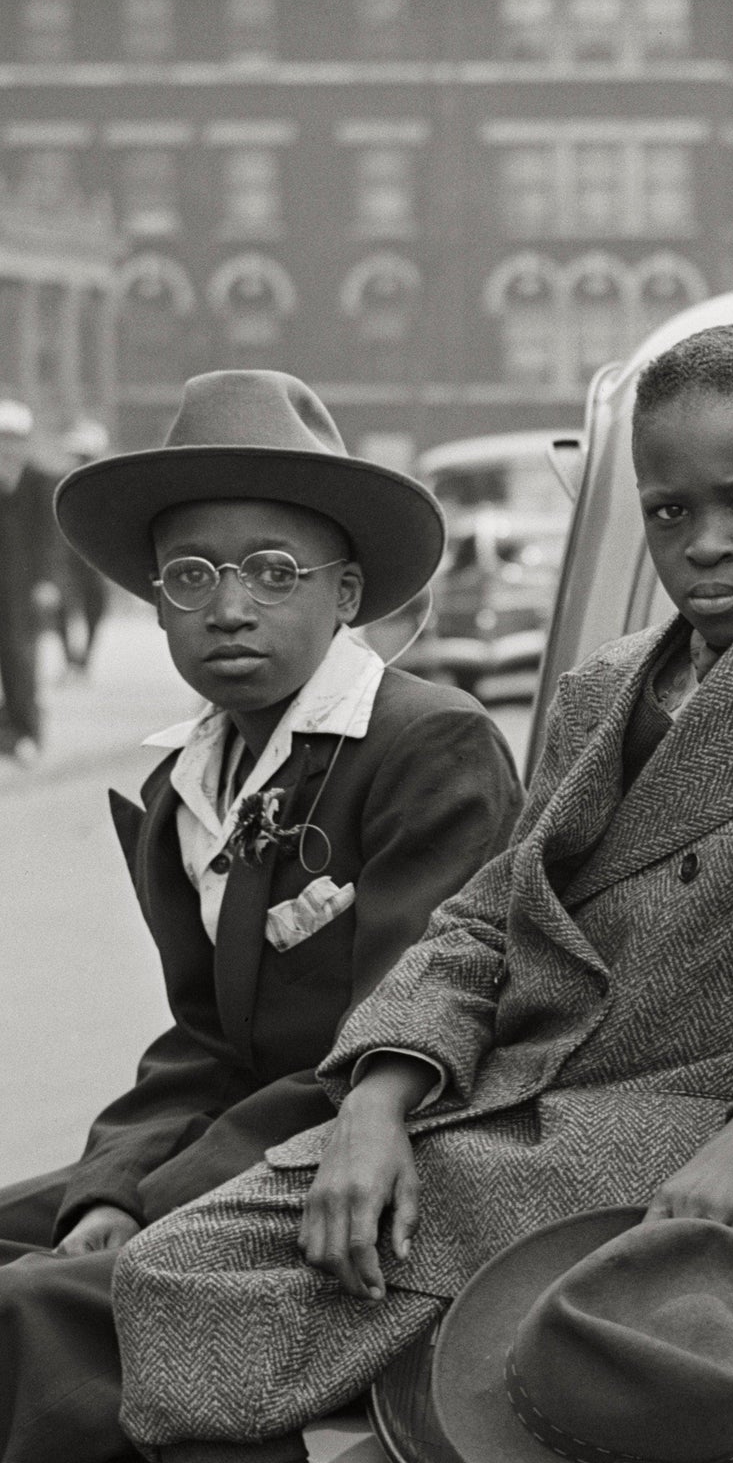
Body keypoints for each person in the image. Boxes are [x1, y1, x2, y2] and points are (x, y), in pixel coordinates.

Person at [112, 325, 733, 1463]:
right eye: (668, 512)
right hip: (501, 1096)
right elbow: (484, 917)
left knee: (300, 1333)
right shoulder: (604, 684)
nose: (705, 545)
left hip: (684, 1135)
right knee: (163, 1273)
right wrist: (373, 1101)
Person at [0, 370, 522, 1463]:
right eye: (191, 575)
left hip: (377, 1160)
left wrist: (153, 1199)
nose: (229, 607)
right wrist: (112, 1179)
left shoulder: (427, 747)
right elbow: (205, 1038)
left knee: (40, 1310)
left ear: (346, 594)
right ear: (155, 602)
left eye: (274, 572)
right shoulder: (183, 785)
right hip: (245, 1142)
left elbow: (397, 1038)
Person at [0, 400, 55, 763]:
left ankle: (27, 730)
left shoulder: (39, 482)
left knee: (21, 657)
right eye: (3, 438)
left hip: (24, 586)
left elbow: (49, 538)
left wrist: (47, 581)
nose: (8, 445)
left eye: (14, 438)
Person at [51, 418, 112, 671]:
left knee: (94, 607)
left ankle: (84, 656)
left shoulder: (105, 485)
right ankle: (69, 657)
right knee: (62, 607)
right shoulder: (59, 484)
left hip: (94, 555)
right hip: (66, 554)